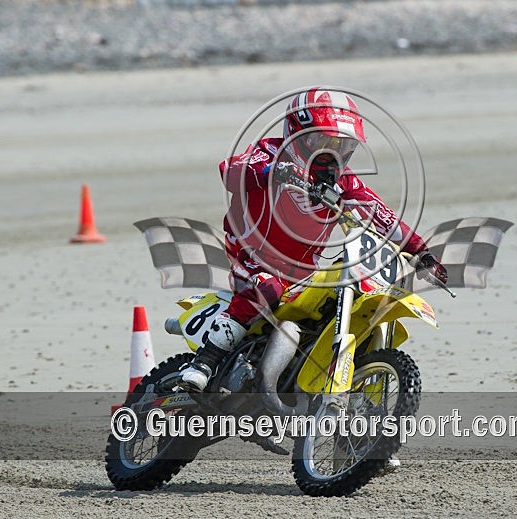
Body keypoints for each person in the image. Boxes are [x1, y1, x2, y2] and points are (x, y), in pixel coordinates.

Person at [180, 87, 447, 392]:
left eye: (343, 146)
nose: (332, 153)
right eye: (323, 142)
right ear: (297, 133)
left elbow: (380, 213)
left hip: (304, 268)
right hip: (252, 253)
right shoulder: (269, 152)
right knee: (268, 288)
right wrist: (273, 171)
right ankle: (204, 362)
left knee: (337, 292)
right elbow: (230, 171)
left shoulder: (343, 182)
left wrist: (420, 251)